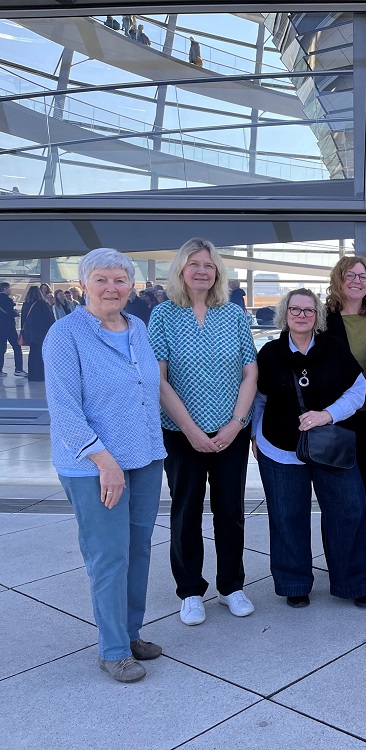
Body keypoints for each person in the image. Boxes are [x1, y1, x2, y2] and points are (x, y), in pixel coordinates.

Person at [43, 248, 166, 682]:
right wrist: (104, 461)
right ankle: (113, 649)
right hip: (93, 464)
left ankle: (131, 633)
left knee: (138, 550)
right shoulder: (65, 335)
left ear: (131, 286)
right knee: (108, 555)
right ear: (83, 285)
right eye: (101, 279)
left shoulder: (138, 328)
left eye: (119, 280)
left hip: (145, 456)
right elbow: (65, 409)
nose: (111, 288)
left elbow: (147, 390)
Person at [148, 238, 258, 627]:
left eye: (209, 265)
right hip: (181, 434)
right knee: (186, 512)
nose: (201, 271)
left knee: (230, 511)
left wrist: (235, 424)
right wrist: (190, 429)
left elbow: (250, 372)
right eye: (194, 263)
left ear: (218, 272)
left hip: (231, 433)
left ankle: (231, 586)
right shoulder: (162, 315)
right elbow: (158, 380)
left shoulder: (232, 314)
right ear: (181, 269)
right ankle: (191, 590)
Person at [253, 289, 366, 609]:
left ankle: (354, 582)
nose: (302, 315)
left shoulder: (334, 348)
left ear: (318, 316)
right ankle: (294, 582)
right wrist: (256, 437)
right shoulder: (269, 353)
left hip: (330, 444)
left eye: (309, 310)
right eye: (295, 309)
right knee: (286, 515)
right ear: (285, 314)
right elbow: (259, 399)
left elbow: (358, 388)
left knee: (349, 508)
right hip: (279, 448)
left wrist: (327, 415)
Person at [324, 255, 366, 578]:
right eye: (350, 276)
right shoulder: (325, 319)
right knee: (342, 492)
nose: (357, 281)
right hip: (338, 418)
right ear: (339, 280)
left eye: (363, 276)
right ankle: (345, 556)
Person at [20, 285, 54, 382]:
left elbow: (23, 319)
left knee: (32, 353)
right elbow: (49, 319)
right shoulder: (42, 304)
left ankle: (32, 375)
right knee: (40, 354)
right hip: (41, 333)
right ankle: (39, 376)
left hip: (29, 333)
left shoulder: (25, 304)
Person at [0, 281, 26, 377]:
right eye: (9, 288)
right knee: (17, 347)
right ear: (5, 289)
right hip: (9, 327)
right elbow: (11, 313)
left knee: (1, 349)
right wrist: (16, 313)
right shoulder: (8, 300)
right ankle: (18, 369)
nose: (10, 290)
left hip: (0, 328)